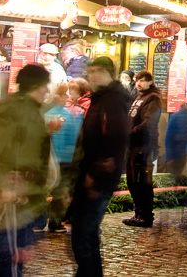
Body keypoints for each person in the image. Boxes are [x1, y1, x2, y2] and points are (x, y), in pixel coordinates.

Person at [0, 63, 53, 277]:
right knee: (3, 256)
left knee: (12, 255)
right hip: (11, 193)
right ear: (35, 86)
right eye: (44, 86)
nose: (47, 91)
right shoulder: (17, 110)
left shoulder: (29, 110)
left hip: (22, 193)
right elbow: (1, 150)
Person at [71, 56, 131, 277]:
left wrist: (94, 174)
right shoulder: (101, 98)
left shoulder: (112, 101)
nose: (93, 75)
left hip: (99, 179)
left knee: (82, 236)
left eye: (98, 71)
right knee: (86, 235)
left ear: (109, 73)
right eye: (91, 70)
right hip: (91, 175)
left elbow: (114, 139)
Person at [43, 80, 85, 232]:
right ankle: (55, 222)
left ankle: (38, 222)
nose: (67, 98)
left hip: (47, 158)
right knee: (59, 191)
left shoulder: (45, 113)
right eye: (64, 95)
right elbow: (73, 140)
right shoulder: (68, 115)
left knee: (43, 190)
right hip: (64, 160)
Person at [124, 70, 163, 227]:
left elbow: (148, 123)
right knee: (132, 180)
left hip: (143, 146)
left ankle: (145, 216)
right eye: (136, 80)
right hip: (132, 145)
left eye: (142, 80)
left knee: (141, 181)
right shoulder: (139, 97)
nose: (138, 83)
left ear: (150, 82)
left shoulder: (152, 99)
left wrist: (129, 133)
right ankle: (138, 213)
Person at [164, 99, 187, 183]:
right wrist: (170, 157)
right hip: (178, 156)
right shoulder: (176, 117)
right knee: (177, 179)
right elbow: (169, 137)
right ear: (184, 104)